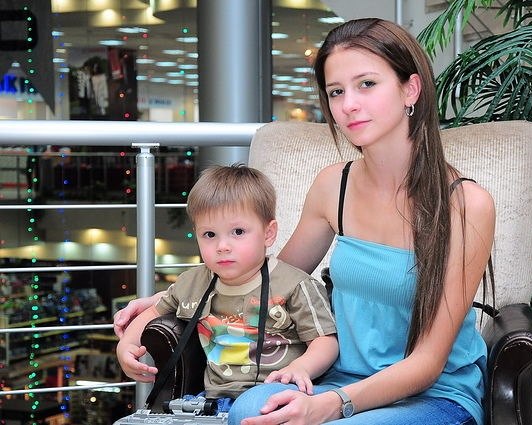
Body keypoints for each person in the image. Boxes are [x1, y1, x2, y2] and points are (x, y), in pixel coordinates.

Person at [114, 17, 495, 425]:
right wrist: (161, 304)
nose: (349, 105)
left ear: (410, 89)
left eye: (367, 84)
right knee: (249, 410)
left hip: (431, 394)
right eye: (336, 91)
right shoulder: (335, 185)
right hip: (335, 377)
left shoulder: (466, 205)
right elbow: (268, 278)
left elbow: (428, 363)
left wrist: (331, 405)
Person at [116, 164, 338, 401]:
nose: (222, 246)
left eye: (238, 232)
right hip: (211, 400)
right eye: (210, 234)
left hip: (278, 396)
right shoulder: (192, 282)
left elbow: (326, 341)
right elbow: (152, 312)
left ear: (268, 233)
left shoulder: (296, 285)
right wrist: (125, 347)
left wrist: (301, 368)